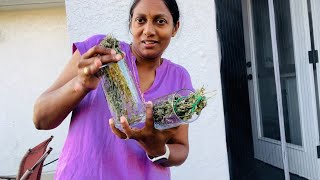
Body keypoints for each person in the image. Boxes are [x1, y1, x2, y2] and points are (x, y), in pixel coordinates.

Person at [33, 0, 194, 179]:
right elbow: (41, 119)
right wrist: (81, 84)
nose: (148, 30)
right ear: (131, 24)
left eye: (160, 21)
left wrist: (158, 150)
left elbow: (181, 147)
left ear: (175, 27)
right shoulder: (100, 52)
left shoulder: (179, 77)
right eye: (140, 20)